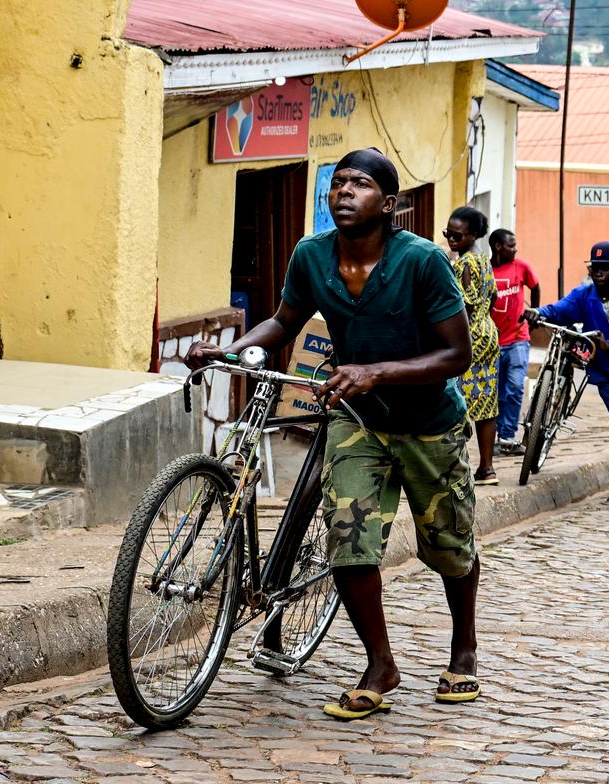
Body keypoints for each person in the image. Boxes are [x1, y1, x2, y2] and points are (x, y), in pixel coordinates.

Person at [189, 148, 478, 719]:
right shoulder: (311, 255)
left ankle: (463, 648)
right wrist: (233, 346)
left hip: (428, 424)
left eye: (361, 184)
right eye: (338, 182)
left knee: (449, 547)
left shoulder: (422, 262)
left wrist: (376, 371)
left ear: (389, 204)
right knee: (347, 536)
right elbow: (284, 321)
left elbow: (457, 354)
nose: (344, 191)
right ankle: (380, 665)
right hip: (358, 420)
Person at [529, 241, 609, 501]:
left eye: (605, 268)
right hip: (608, 374)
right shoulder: (583, 296)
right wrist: (537, 312)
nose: (598, 273)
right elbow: (559, 311)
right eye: (594, 268)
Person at [444, 207, 502, 485]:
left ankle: (457, 469)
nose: (451, 239)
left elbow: (463, 307)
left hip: (469, 336)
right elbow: (492, 297)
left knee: (458, 401)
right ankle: (487, 468)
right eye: (448, 234)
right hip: (489, 332)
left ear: (474, 235)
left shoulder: (464, 264)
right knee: (486, 404)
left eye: (457, 235)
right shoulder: (485, 259)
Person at [488, 228, 540, 456]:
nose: (515, 249)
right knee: (496, 391)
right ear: (498, 247)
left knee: (516, 387)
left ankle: (507, 436)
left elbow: (535, 286)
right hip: (493, 342)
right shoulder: (486, 270)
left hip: (519, 337)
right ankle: (496, 434)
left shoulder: (522, 267)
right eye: (511, 245)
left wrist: (535, 312)